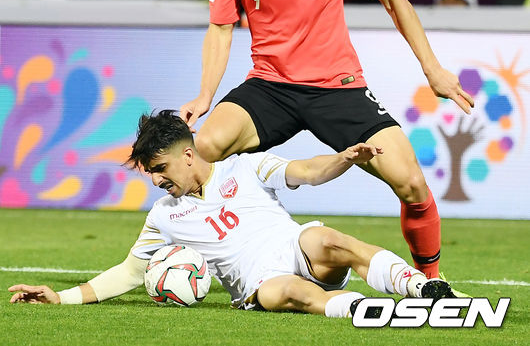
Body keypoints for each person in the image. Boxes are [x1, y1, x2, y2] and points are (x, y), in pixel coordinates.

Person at [179, 0, 475, 280]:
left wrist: (432, 68)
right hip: (270, 87)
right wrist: (205, 94)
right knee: (201, 150)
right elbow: (221, 28)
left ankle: (431, 281)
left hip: (337, 88)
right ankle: (205, 256)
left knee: (411, 182)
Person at [9, 110, 456, 317]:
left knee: (328, 240)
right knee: (290, 292)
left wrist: (344, 158)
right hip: (260, 284)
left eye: (160, 169)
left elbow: (307, 171)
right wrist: (61, 297)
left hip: (296, 249)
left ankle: (422, 287)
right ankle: (370, 312)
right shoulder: (164, 216)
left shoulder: (245, 166)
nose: (156, 180)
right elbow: (128, 273)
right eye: (150, 173)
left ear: (187, 155)